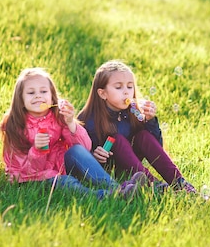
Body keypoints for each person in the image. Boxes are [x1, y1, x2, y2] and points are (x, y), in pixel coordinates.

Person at [0, 67, 147, 200]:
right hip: (31, 176)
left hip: (58, 165)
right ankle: (107, 195)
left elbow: (85, 147)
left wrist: (70, 123)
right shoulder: (14, 125)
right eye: (31, 92)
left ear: (52, 96)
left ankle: (117, 188)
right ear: (21, 99)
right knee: (67, 182)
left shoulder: (56, 115)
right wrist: (38, 150)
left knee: (76, 150)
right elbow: (27, 168)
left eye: (43, 91)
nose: (38, 96)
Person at [78, 60, 196, 194]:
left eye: (130, 87)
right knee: (117, 139)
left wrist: (150, 121)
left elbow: (156, 148)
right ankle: (154, 186)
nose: (126, 92)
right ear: (102, 93)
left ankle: (179, 182)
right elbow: (79, 155)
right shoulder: (88, 119)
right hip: (108, 169)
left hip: (132, 165)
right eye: (118, 87)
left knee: (144, 136)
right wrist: (94, 154)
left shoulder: (134, 111)